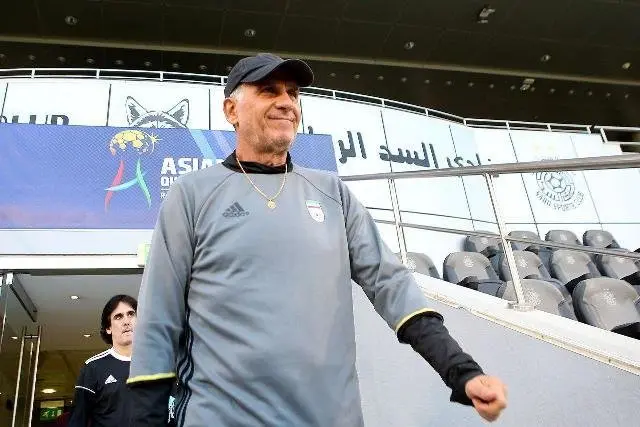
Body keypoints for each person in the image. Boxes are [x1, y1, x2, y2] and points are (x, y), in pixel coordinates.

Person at [127, 53, 508, 426]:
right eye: (269, 90)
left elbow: (391, 284)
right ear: (231, 110)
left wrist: (461, 371)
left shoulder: (332, 193)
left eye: (293, 93)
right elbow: (160, 315)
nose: (286, 103)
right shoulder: (192, 193)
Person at [68, 294, 137, 427]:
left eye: (131, 314)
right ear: (108, 328)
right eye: (118, 317)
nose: (126, 321)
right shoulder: (93, 367)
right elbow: (77, 420)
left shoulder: (157, 363)